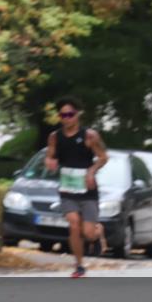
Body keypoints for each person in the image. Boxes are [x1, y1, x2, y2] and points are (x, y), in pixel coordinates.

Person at [44, 96, 108, 278]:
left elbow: (103, 157)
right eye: (62, 115)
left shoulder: (89, 136)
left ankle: (98, 232)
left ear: (77, 114)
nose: (66, 118)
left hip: (87, 190)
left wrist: (91, 172)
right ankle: (79, 266)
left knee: (88, 233)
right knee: (73, 224)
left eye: (70, 114)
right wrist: (49, 162)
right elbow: (49, 156)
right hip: (67, 189)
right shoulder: (54, 137)